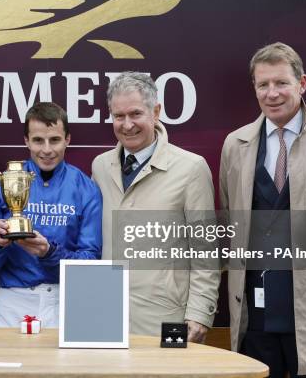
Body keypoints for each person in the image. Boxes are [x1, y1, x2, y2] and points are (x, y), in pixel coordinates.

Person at [219, 42, 306, 377]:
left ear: (302, 84)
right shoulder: (235, 145)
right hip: (255, 317)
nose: (272, 93)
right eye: (263, 84)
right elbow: (229, 220)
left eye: (281, 83)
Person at [92, 71, 220, 342]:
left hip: (166, 318)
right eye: (118, 116)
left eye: (136, 114)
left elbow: (206, 251)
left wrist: (200, 313)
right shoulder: (100, 167)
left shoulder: (191, 168)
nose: (127, 125)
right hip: (106, 315)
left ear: (156, 111)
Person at [0, 102, 102, 327]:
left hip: (66, 299)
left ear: (67, 139)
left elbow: (90, 264)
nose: (47, 150)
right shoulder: (0, 185)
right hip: (13, 300)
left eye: (55, 140)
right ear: (26, 140)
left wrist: (49, 252)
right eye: (38, 140)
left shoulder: (86, 188)